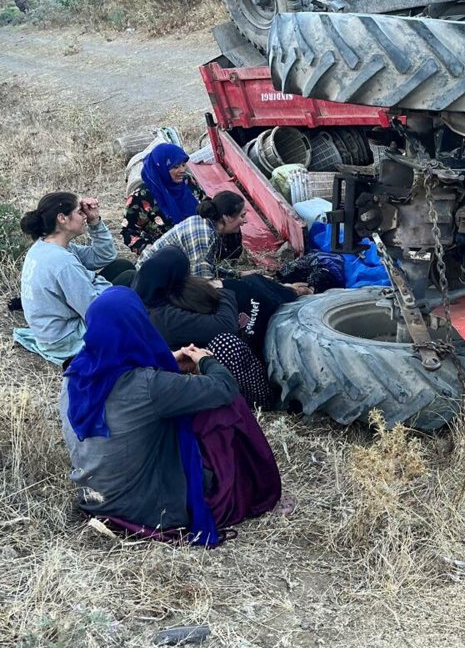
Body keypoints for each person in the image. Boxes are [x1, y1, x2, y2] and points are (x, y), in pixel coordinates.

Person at [60, 288, 279, 542]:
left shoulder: (74, 375)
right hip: (142, 510)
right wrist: (205, 361)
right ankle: (255, 481)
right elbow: (224, 388)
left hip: (93, 499)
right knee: (220, 409)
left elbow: (124, 383)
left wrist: (169, 361)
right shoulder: (148, 386)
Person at [134, 249, 273, 408]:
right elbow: (226, 325)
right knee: (225, 344)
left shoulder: (147, 297)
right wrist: (223, 290)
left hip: (193, 380)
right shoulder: (164, 318)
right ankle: (261, 401)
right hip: (207, 386)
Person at [15, 192, 134, 364]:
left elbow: (104, 255)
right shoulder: (62, 262)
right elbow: (92, 310)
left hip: (53, 329)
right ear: (62, 218)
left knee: (122, 266)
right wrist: (109, 289)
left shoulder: (46, 245)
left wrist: (95, 222)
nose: (85, 216)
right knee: (130, 281)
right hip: (65, 338)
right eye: (79, 212)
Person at [135, 190, 247, 278]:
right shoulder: (203, 235)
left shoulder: (205, 225)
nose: (245, 221)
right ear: (226, 217)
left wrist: (239, 275)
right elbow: (203, 279)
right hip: (147, 278)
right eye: (242, 216)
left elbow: (208, 267)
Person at [122, 142, 204, 257]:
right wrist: (150, 250)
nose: (182, 170)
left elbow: (203, 205)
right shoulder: (142, 196)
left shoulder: (187, 182)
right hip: (167, 256)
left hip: (199, 247)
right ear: (161, 167)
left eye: (183, 165)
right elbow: (128, 232)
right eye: (175, 167)